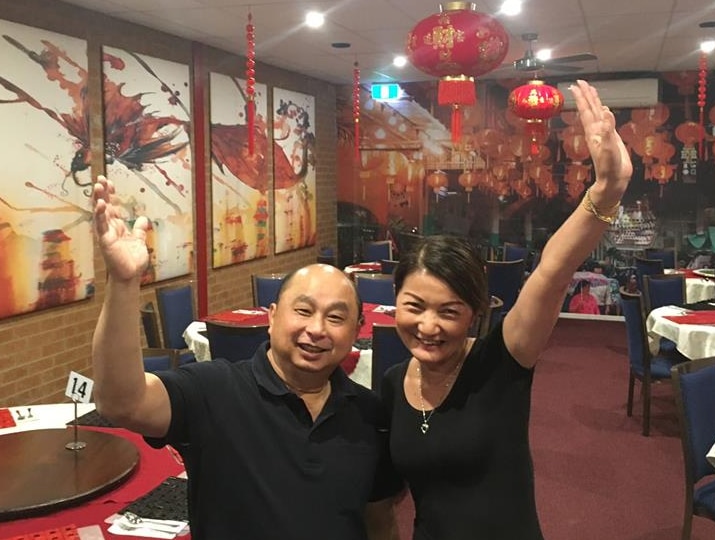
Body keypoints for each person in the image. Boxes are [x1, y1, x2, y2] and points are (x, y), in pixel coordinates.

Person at [381, 79, 632, 540]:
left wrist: (608, 188)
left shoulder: (502, 360)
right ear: (394, 303)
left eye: (449, 311)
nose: (428, 325)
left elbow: (552, 272)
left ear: (475, 313)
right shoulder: (393, 383)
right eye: (414, 306)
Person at [91, 175, 402, 540]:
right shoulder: (214, 391)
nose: (317, 329)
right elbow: (122, 402)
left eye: (336, 317)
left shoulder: (369, 414)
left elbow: (379, 521)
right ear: (271, 317)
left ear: (354, 332)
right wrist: (125, 282)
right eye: (302, 311)